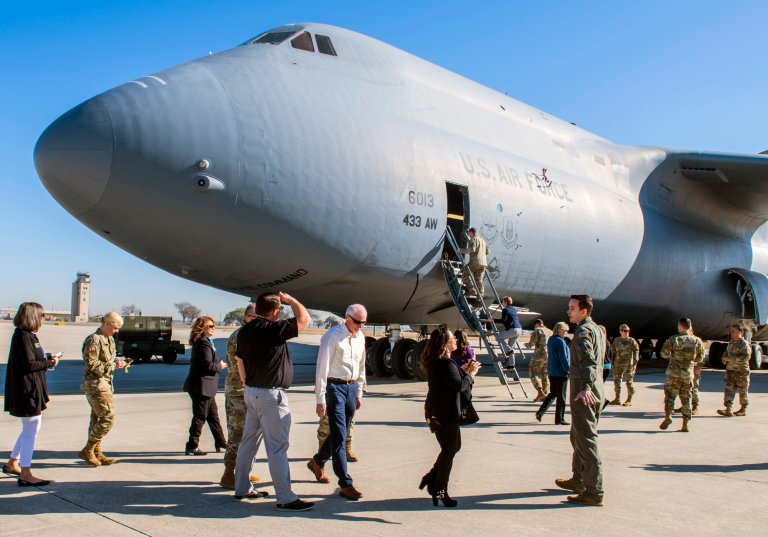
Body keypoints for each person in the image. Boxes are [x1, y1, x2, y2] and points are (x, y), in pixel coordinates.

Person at [233, 291, 314, 511]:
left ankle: (241, 487)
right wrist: (293, 300)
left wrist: (246, 384)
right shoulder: (274, 330)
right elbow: (304, 319)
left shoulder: (244, 332)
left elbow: (239, 360)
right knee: (277, 447)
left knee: (248, 443)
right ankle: (285, 497)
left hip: (252, 393)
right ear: (276, 311)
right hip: (271, 396)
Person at [306, 304, 367, 500]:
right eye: (358, 322)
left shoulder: (360, 337)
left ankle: (318, 461)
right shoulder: (332, 336)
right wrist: (320, 398)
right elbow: (321, 369)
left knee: (340, 432)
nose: (361, 326)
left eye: (364, 322)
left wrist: (359, 391)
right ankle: (345, 483)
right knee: (340, 434)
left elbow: (361, 365)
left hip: (350, 388)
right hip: (334, 387)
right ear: (347, 317)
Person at [419, 326, 481, 507]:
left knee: (453, 447)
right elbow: (459, 385)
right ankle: (439, 489)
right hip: (443, 413)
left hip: (440, 411)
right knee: (449, 449)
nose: (456, 340)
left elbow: (450, 379)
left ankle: (431, 479)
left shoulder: (441, 361)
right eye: (453, 338)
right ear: (446, 344)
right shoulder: (444, 362)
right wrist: (470, 374)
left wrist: (462, 370)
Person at [555, 294, 606, 506]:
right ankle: (578, 479)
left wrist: (585, 387)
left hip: (584, 392)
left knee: (586, 440)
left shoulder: (584, 331)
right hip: (591, 389)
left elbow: (588, 362)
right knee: (577, 436)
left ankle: (594, 491)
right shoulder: (595, 329)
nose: (568, 311)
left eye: (572, 308)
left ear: (584, 311)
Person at [3, 302, 60, 486]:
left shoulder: (28, 336)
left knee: (30, 428)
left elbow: (33, 360)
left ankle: (13, 462)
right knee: (31, 430)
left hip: (31, 389)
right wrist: (50, 363)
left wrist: (48, 358)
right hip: (27, 390)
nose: (43, 320)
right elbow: (29, 365)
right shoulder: (23, 337)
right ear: (33, 317)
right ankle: (25, 472)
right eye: (41, 316)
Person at [220, 304, 259, 488]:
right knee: (238, 432)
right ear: (245, 317)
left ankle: (243, 472)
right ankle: (229, 473)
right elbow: (240, 364)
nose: (256, 319)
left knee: (247, 434)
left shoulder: (247, 334)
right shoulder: (240, 336)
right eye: (252, 316)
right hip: (238, 391)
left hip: (243, 389)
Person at [79, 312, 126, 466]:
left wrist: (117, 362)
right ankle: (88, 449)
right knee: (108, 418)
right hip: (95, 385)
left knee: (97, 418)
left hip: (105, 383)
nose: (117, 331)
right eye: (115, 328)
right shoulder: (94, 340)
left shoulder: (109, 339)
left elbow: (106, 360)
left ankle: (96, 452)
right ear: (107, 324)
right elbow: (91, 365)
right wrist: (114, 365)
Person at [183, 316, 227, 455]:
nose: (213, 328)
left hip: (207, 387)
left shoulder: (207, 342)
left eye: (213, 325)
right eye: (210, 326)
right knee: (200, 417)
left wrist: (219, 363)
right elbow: (208, 365)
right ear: (202, 328)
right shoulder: (203, 343)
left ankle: (221, 443)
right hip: (202, 387)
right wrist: (219, 366)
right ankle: (192, 445)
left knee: (213, 416)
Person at [659, 318, 704, 432]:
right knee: (686, 399)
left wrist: (673, 356)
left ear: (681, 326)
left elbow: (663, 354)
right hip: (687, 375)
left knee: (670, 397)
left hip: (673, 374)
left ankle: (668, 416)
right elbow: (700, 358)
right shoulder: (697, 341)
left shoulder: (673, 339)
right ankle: (685, 424)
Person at [535, 322, 570, 425]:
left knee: (553, 393)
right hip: (561, 372)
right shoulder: (560, 341)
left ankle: (540, 412)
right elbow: (563, 358)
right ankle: (559, 418)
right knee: (561, 396)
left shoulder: (551, 339)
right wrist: (569, 370)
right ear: (559, 330)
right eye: (565, 331)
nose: (566, 333)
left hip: (552, 371)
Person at [717, 324, 752, 417]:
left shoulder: (744, 344)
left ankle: (743, 409)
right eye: (731, 331)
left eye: (734, 331)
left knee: (742, 390)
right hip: (730, 370)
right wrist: (724, 359)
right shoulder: (731, 343)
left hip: (741, 371)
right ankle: (728, 409)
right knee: (729, 389)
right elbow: (726, 354)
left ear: (740, 332)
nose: (731, 333)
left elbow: (746, 357)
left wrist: (730, 359)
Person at [609, 324, 639, 406]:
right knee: (617, 381)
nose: (626, 332)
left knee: (629, 381)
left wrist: (635, 363)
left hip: (628, 364)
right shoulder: (616, 341)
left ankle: (629, 399)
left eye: (628, 331)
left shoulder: (632, 341)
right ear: (620, 331)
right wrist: (612, 363)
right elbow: (613, 352)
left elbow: (636, 351)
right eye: (625, 331)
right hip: (618, 363)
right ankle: (617, 398)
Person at [459, 227, 489, 298]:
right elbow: (488, 251)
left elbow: (472, 249)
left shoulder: (473, 239)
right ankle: (480, 296)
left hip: (475, 262)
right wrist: (481, 254)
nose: (469, 235)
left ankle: (471, 291)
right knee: (479, 280)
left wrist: (461, 250)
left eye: (469, 233)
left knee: (464, 275)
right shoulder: (483, 241)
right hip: (483, 264)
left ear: (472, 233)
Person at [495, 296, 522, 368]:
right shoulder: (514, 309)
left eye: (503, 302)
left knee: (498, 338)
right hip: (519, 329)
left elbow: (503, 321)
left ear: (506, 302)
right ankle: (511, 365)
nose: (502, 303)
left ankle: (508, 350)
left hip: (513, 329)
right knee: (511, 347)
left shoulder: (505, 310)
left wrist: (492, 320)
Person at [526, 319, 549, 401]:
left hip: (539, 355)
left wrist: (527, 345)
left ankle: (540, 392)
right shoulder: (549, 331)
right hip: (548, 355)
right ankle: (545, 394)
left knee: (532, 372)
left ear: (537, 324)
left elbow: (531, 343)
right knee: (544, 374)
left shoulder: (537, 331)